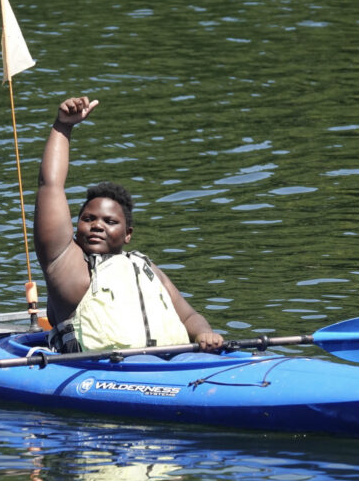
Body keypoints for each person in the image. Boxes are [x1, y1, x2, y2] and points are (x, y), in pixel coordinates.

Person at [34, 95, 224, 353]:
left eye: (110, 221)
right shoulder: (66, 265)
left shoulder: (146, 268)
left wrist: (204, 333)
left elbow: (189, 316)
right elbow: (51, 186)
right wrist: (63, 126)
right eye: (88, 219)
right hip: (100, 368)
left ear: (127, 234)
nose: (97, 225)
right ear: (76, 227)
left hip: (176, 365)